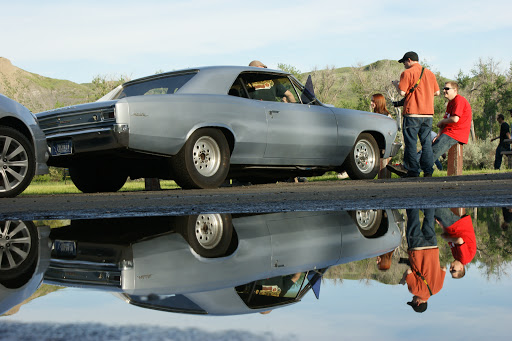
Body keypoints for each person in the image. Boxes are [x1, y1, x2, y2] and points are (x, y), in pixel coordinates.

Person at [391, 52, 440, 177]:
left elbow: (402, 92)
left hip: (412, 113)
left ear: (409, 60)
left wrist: (396, 84)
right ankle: (428, 170)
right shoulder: (429, 73)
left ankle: (413, 170)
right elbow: (437, 92)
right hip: (428, 113)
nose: (404, 65)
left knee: (411, 142)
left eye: (404, 62)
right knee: (426, 143)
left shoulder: (407, 73)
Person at [399, 208, 446, 313]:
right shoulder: (414, 290)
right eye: (413, 301)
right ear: (418, 303)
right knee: (413, 218)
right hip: (417, 250)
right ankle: (411, 196)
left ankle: (429, 197)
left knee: (429, 218)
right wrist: (403, 280)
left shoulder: (438, 289)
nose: (412, 299)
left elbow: (443, 268)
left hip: (433, 248)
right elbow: (409, 272)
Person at [430, 82, 473, 166]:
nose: (444, 91)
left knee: (433, 151)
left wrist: (442, 121)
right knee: (428, 148)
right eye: (443, 88)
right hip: (448, 132)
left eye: (447, 89)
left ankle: (413, 170)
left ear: (455, 90)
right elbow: (446, 120)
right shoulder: (450, 103)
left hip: (455, 134)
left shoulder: (459, 100)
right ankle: (411, 167)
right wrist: (438, 135)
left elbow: (455, 119)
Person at [435, 208, 476, 279]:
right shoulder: (465, 259)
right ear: (461, 268)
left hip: (452, 227)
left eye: (450, 271)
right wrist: (446, 238)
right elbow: (459, 240)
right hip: (458, 225)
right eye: (453, 271)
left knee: (428, 211)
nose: (450, 269)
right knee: (433, 207)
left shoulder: (456, 256)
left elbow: (448, 236)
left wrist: (442, 226)